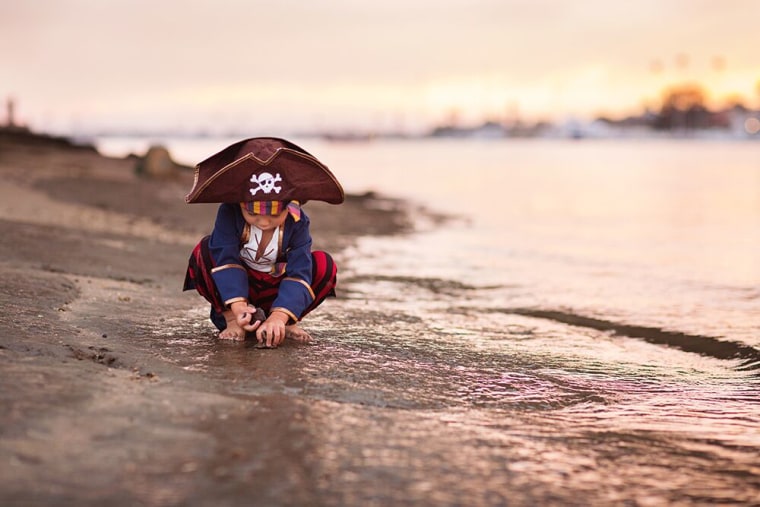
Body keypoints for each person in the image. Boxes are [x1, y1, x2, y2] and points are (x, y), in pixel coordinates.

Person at [182, 137, 344, 347]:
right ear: (240, 203)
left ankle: (286, 320)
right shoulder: (229, 213)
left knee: (323, 264)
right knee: (204, 250)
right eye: (253, 213)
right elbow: (225, 256)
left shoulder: (297, 221)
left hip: (277, 290)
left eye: (275, 214)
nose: (264, 221)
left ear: (291, 206)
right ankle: (232, 320)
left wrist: (279, 315)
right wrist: (239, 307)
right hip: (237, 290)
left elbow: (299, 270)